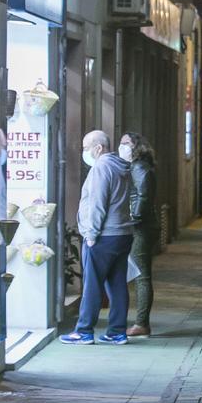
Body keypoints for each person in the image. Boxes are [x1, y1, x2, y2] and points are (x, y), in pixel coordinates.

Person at [61, 130, 134, 345]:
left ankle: (84, 331)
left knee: (92, 285)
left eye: (85, 148)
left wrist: (91, 234)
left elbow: (97, 203)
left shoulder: (101, 167)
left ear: (98, 147)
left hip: (103, 235)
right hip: (122, 234)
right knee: (117, 284)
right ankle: (117, 331)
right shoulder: (120, 166)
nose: (84, 152)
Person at [121, 132, 159, 338]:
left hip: (141, 226)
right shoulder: (140, 166)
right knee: (140, 273)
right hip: (144, 225)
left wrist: (134, 216)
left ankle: (141, 324)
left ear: (136, 146)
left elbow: (143, 195)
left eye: (125, 143)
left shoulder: (139, 167)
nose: (122, 147)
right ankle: (140, 322)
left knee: (142, 275)